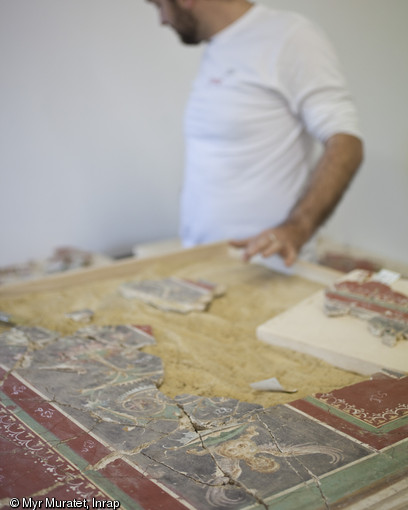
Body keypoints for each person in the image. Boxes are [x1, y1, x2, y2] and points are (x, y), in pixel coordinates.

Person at [147, 0, 364, 268]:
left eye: (159, 5)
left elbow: (346, 142)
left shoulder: (290, 37)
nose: (162, 19)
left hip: (267, 269)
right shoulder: (219, 46)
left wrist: (297, 228)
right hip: (208, 265)